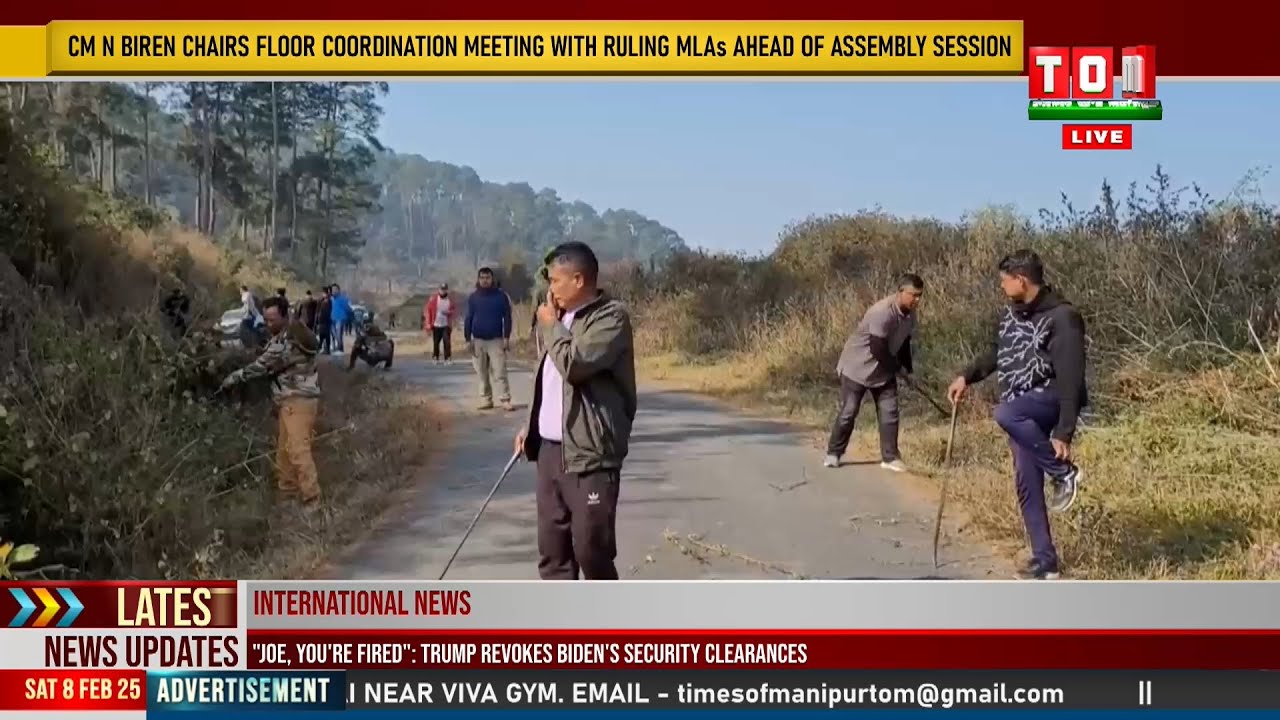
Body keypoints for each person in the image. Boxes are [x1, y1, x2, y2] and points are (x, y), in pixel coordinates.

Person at [947, 249, 1087, 580]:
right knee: (1025, 481)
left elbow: (1072, 375)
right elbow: (999, 352)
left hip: (1049, 396)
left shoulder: (1062, 317)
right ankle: (1045, 561)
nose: (1002, 287)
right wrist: (967, 376)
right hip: (1021, 404)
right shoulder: (1012, 314)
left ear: (1021, 280)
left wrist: (1064, 431)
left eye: (1004, 281)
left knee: (1005, 413)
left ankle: (1063, 472)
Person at [514, 241, 636, 581]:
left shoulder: (611, 318)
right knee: (553, 554)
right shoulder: (560, 317)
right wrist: (530, 427)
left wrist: (551, 324)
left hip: (590, 454)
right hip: (550, 452)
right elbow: (549, 382)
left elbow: (574, 364)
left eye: (554, 280)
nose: (549, 289)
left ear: (579, 280)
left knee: (591, 551)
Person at [218, 296, 324, 508]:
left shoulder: (287, 342)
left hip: (298, 400)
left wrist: (233, 378)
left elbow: (261, 366)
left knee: (297, 450)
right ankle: (287, 497)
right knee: (284, 453)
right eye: (265, 320)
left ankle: (312, 500)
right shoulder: (288, 335)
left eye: (272, 320)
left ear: (285, 316)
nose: (268, 324)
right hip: (289, 400)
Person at [824, 274, 924, 473]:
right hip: (856, 368)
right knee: (849, 412)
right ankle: (833, 453)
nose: (917, 300)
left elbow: (903, 343)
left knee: (890, 412)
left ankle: (890, 457)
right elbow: (877, 348)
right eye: (913, 295)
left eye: (920, 296)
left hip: (882, 371)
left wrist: (907, 370)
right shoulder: (881, 312)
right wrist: (896, 369)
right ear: (901, 292)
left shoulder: (911, 315)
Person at [465, 267, 515, 411]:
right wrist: (468, 339)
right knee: (482, 372)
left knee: (499, 371)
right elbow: (469, 318)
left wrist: (506, 337)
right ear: (478, 279)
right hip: (478, 340)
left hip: (496, 340)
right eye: (482, 277)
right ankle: (486, 399)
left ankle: (505, 399)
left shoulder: (501, 296)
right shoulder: (473, 297)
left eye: (487, 277)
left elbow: (507, 317)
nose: (485, 280)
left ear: (492, 279)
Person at [425, 283, 457, 364]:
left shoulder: (450, 300)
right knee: (436, 342)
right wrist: (428, 323)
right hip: (436, 324)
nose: (443, 291)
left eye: (444, 289)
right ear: (439, 290)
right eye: (441, 289)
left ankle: (447, 358)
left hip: (446, 325)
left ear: (447, 290)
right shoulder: (434, 300)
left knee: (447, 342)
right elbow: (428, 311)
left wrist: (449, 312)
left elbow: (454, 311)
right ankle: (435, 357)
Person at [239, 285, 265, 349]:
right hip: (253, 314)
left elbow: (248, 305)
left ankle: (254, 344)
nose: (240, 292)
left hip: (250, 315)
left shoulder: (246, 295)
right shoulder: (250, 295)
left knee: (248, 328)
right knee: (255, 328)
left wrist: (249, 313)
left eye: (240, 290)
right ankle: (259, 342)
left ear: (243, 290)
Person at [329, 284, 352, 354]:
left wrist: (348, 316)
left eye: (335, 289)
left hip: (340, 319)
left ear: (339, 290)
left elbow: (348, 309)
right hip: (332, 319)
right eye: (332, 290)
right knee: (334, 334)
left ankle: (340, 349)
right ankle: (337, 347)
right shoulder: (331, 299)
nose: (333, 291)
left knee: (339, 335)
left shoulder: (342, 299)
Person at [316, 286, 334, 355]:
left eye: (323, 293)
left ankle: (325, 349)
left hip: (325, 320)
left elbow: (325, 312)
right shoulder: (324, 300)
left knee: (325, 335)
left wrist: (320, 319)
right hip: (324, 321)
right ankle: (325, 349)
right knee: (323, 335)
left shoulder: (328, 301)